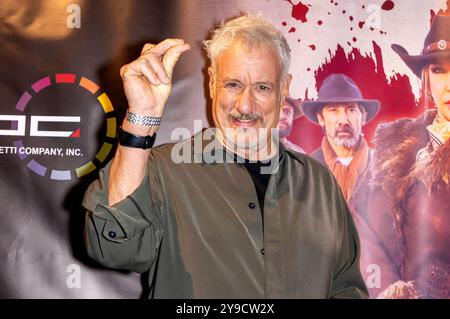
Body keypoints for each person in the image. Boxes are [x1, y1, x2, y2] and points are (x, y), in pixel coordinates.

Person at [82, 14, 367, 298]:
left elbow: (346, 289)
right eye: (233, 85)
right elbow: (114, 248)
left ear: (284, 91)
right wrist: (141, 116)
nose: (245, 105)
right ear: (211, 84)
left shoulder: (322, 185)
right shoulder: (161, 170)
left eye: (263, 87)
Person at [364, 15, 450, 298]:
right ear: (426, 77)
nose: (448, 85)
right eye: (439, 70)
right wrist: (389, 287)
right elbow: (359, 223)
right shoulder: (395, 144)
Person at [300, 74, 380, 202]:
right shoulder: (305, 171)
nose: (343, 120)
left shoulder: (382, 167)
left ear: (363, 117)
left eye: (351, 110)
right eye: (333, 110)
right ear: (321, 118)